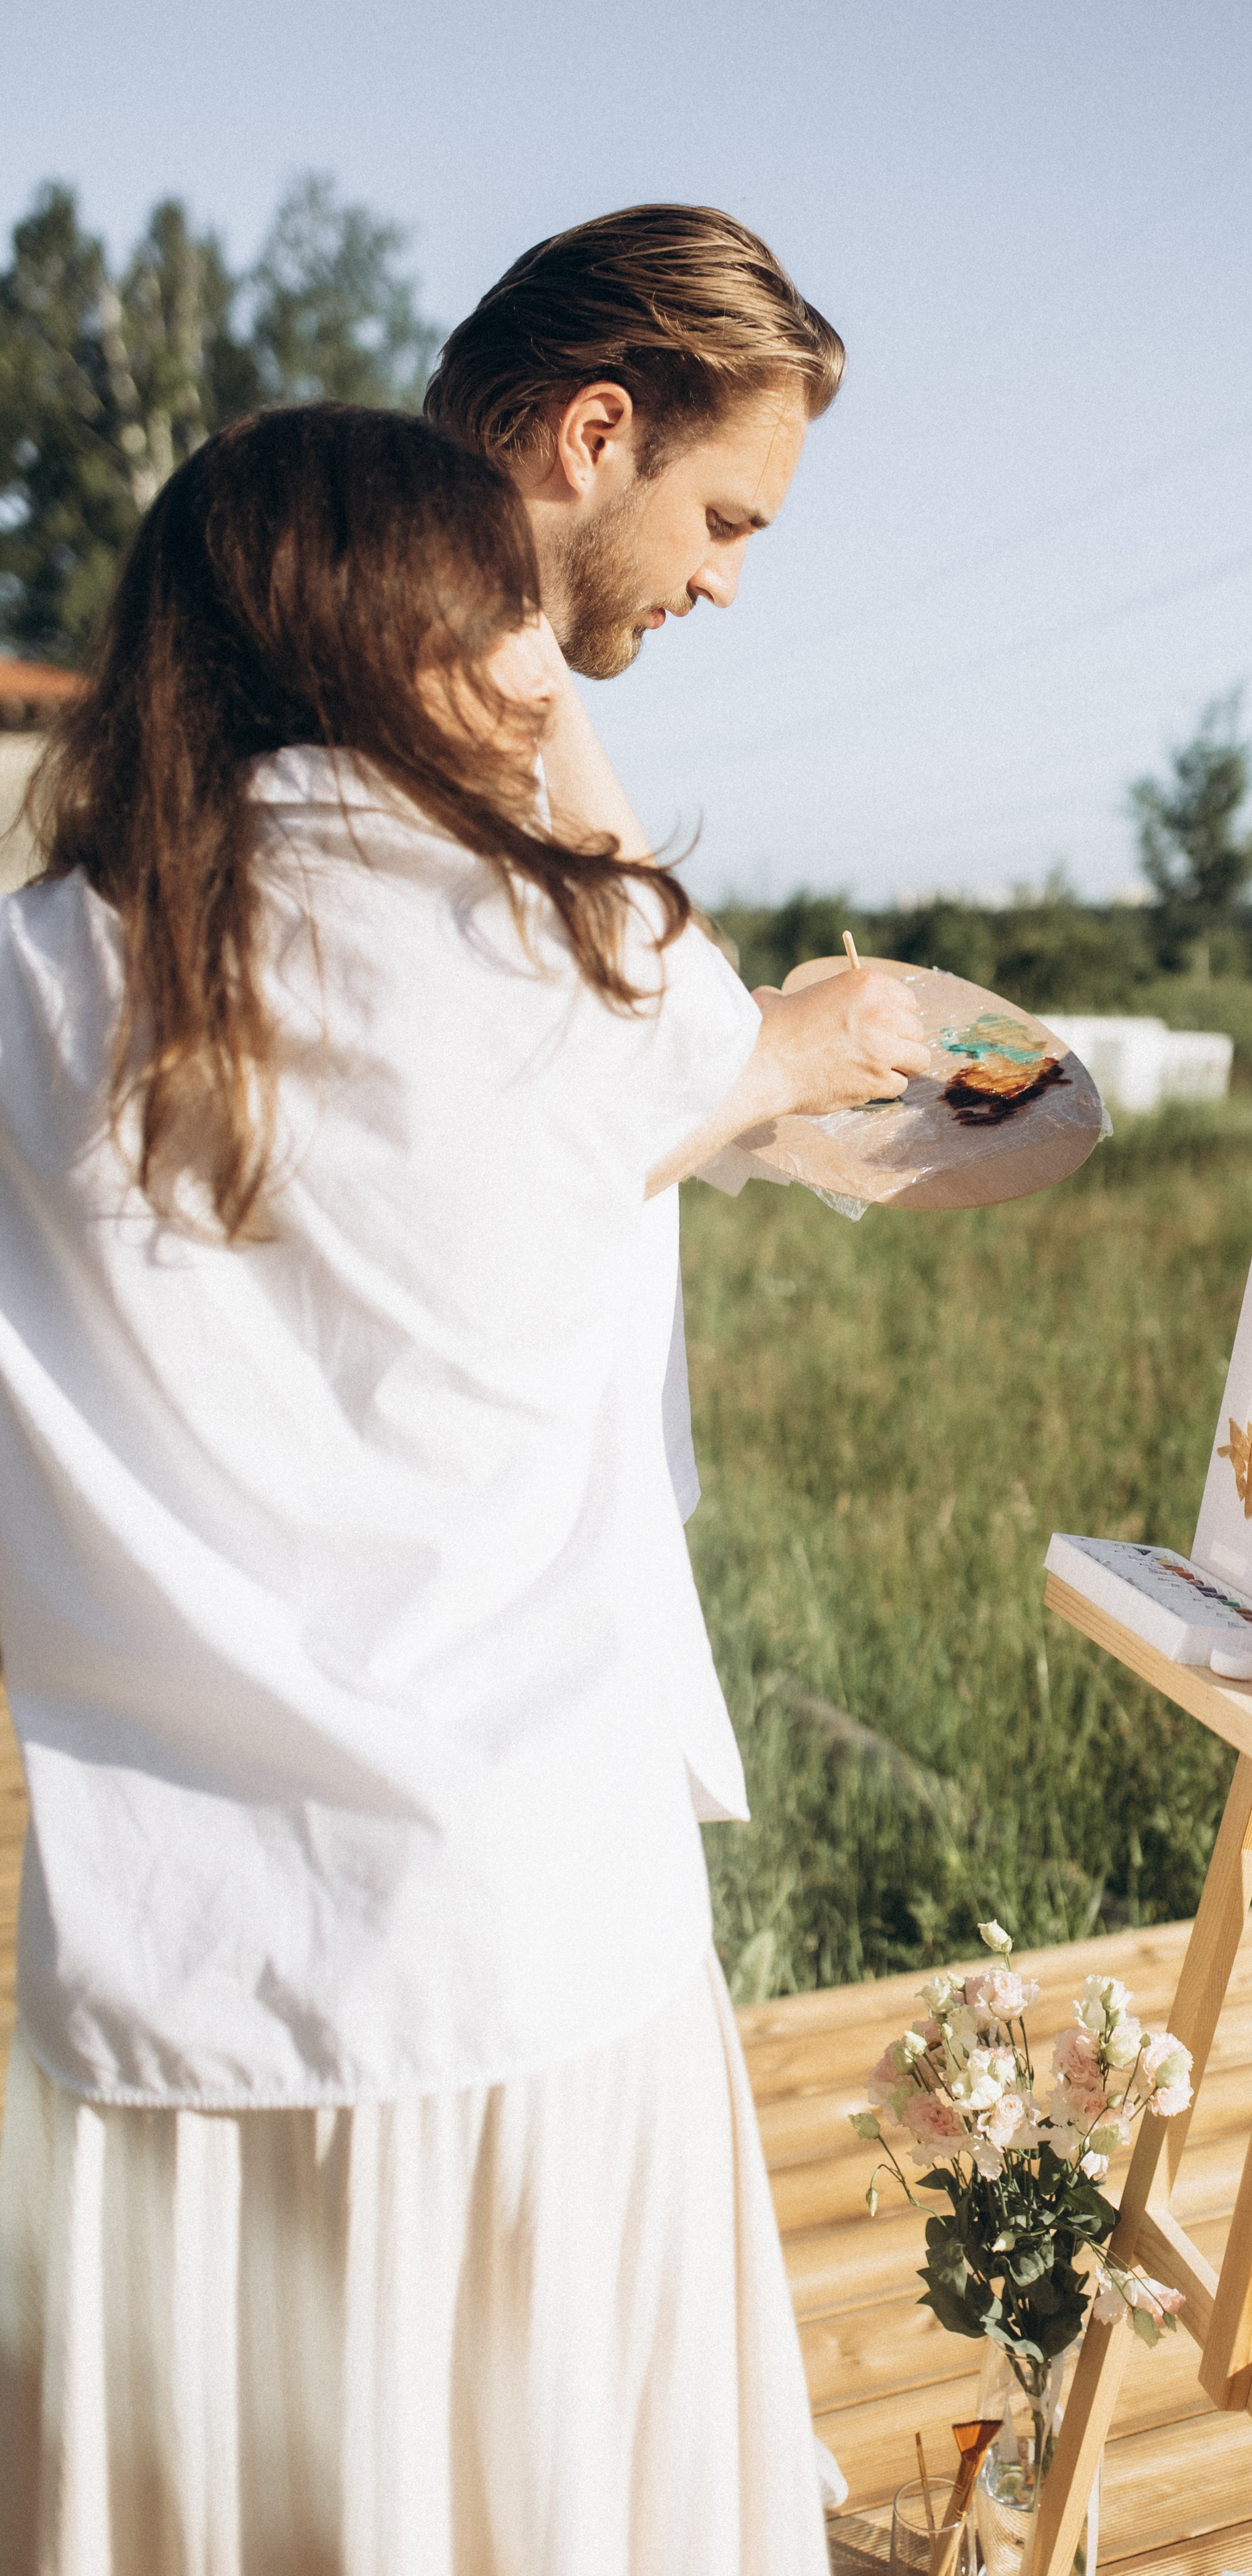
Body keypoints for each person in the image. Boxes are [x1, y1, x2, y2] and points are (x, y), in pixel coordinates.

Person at [0, 402, 930, 2575]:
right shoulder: (589, 970)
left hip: (183, 1976)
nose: (544, 668)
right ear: (435, 644)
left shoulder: (37, 991)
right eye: (511, 619)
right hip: (539, 1940)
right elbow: (726, 1012)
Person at [424, 203, 843, 1523]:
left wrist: (752, 1047)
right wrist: (780, 1063)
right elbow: (466, 1164)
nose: (724, 581)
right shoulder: (402, 723)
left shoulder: (518, 677)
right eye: (723, 518)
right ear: (594, 436)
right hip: (461, 1593)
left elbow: (654, 1003)